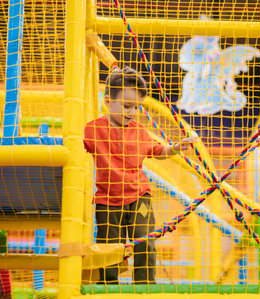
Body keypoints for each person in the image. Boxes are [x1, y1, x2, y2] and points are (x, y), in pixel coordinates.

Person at [84, 66, 196, 284]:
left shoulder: (140, 131)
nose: (131, 112)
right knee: (109, 244)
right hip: (107, 200)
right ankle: (108, 284)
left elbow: (159, 151)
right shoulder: (93, 129)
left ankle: (145, 285)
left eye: (136, 107)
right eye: (126, 106)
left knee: (144, 239)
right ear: (108, 101)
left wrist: (175, 148)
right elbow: (77, 146)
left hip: (139, 198)